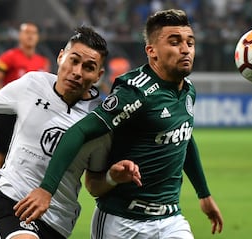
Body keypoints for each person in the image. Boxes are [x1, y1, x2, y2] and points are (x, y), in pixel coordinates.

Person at [14, 9, 224, 239]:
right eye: (174, 42)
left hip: (170, 219)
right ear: (151, 51)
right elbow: (80, 131)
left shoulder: (188, 90)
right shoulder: (135, 92)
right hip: (122, 222)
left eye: (190, 43)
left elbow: (183, 137)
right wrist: (47, 189)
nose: (185, 49)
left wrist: (204, 194)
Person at [0, 26, 141, 239]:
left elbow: (93, 185)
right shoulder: (32, 84)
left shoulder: (101, 120)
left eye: (88, 67)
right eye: (73, 60)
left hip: (57, 222)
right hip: (11, 203)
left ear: (99, 74)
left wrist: (112, 177)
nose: (77, 72)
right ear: (61, 57)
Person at [0, 22, 51, 209]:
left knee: (32, 158)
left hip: (32, 116)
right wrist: (13, 100)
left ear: (38, 37)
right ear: (20, 37)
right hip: (9, 115)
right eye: (26, 33)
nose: (30, 36)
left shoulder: (42, 62)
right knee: (0, 160)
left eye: (34, 33)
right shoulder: (9, 57)